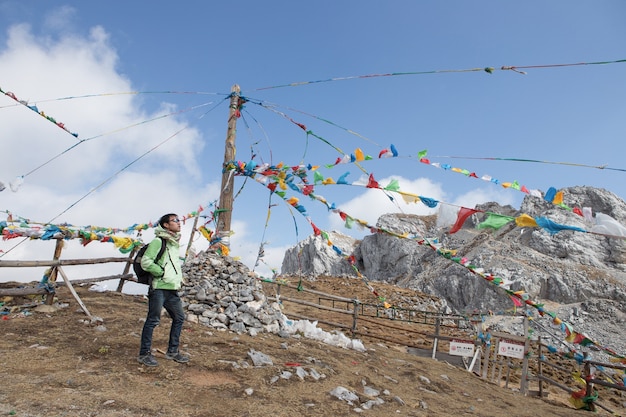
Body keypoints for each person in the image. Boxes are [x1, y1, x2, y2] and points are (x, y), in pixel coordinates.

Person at [137, 213, 189, 367]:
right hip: (159, 288)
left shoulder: (173, 243)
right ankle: (144, 354)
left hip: (172, 289)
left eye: (179, 220)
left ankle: (172, 351)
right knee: (153, 320)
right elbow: (146, 262)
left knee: (179, 318)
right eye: (175, 221)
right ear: (166, 225)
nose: (179, 223)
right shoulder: (158, 241)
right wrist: (161, 272)